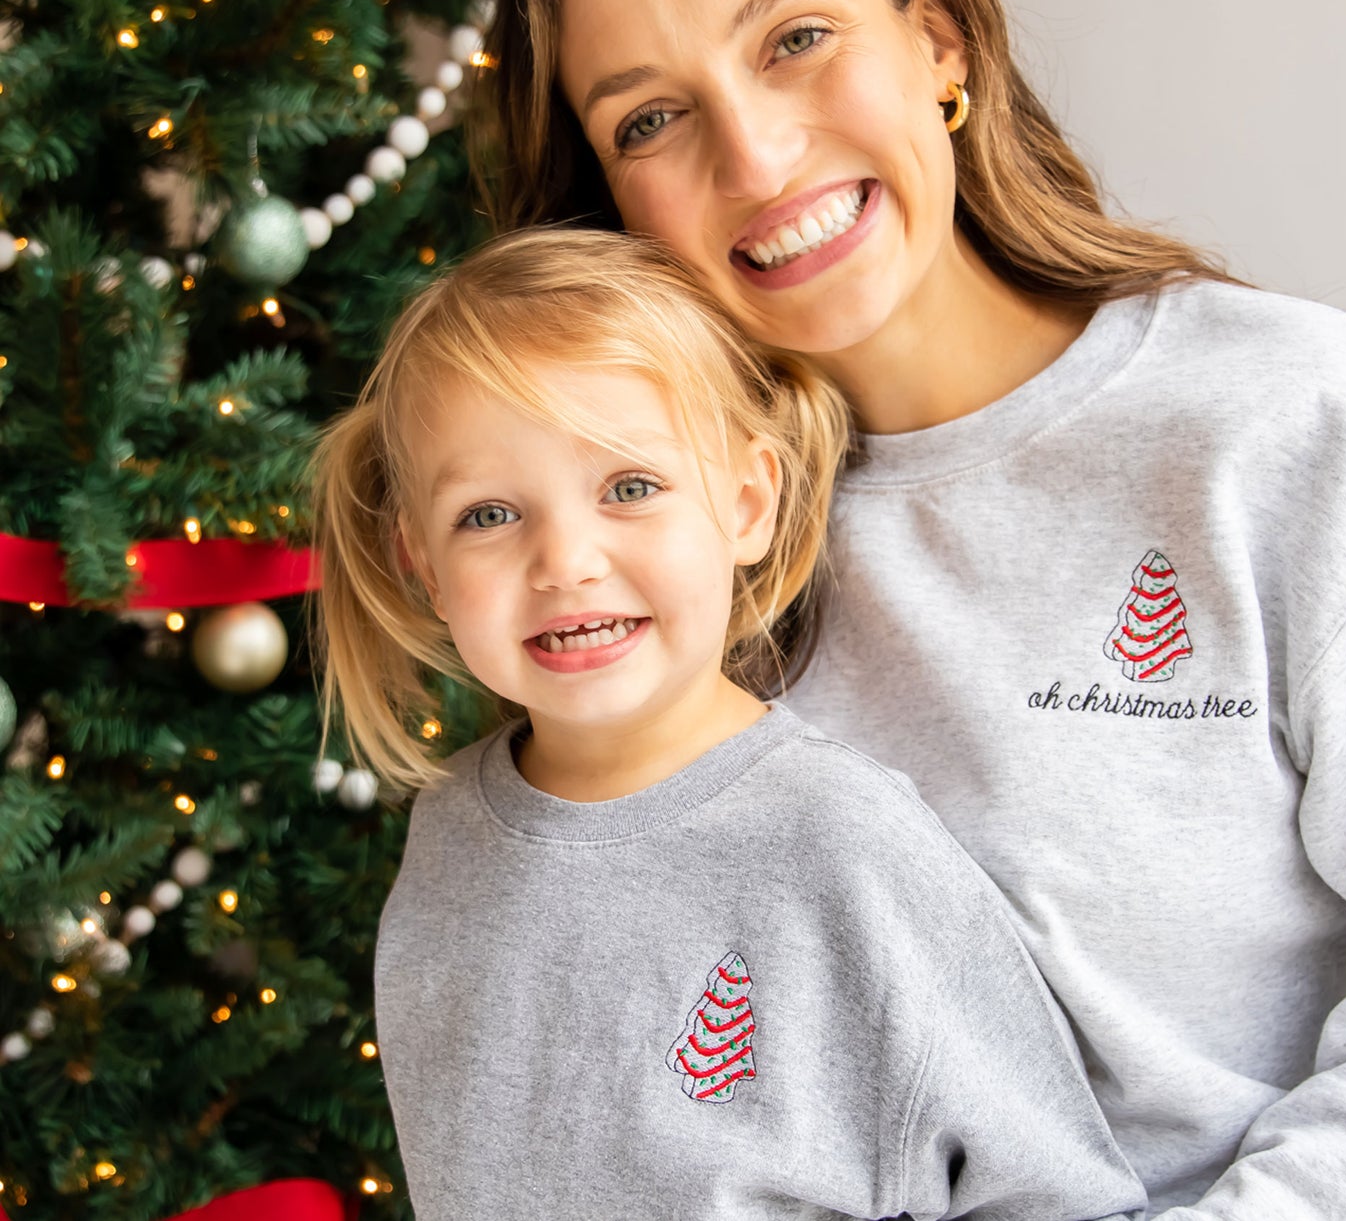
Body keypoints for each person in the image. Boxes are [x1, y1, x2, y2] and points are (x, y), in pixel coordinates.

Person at [476, 0, 1346, 1218]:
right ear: (609, 205)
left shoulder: (1285, 419)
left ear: (937, 42)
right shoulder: (626, 558)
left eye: (796, 39)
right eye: (652, 120)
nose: (755, 158)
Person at [312, 228, 1145, 1221]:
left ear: (745, 502)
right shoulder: (445, 835)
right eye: (488, 514)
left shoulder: (843, 838)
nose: (565, 559)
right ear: (422, 564)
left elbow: (1055, 1192)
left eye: (629, 487)